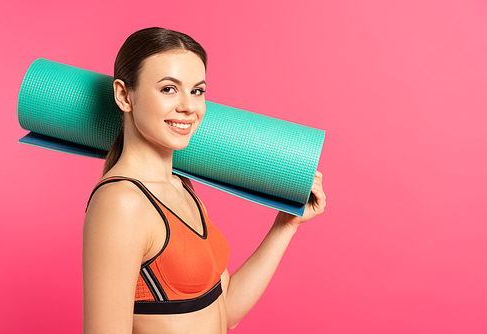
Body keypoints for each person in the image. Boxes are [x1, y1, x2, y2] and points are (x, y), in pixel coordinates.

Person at [83, 27, 326, 334]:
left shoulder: (181, 186)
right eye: (169, 89)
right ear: (123, 95)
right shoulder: (122, 203)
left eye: (197, 91)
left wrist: (285, 226)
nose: (189, 107)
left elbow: (227, 311)